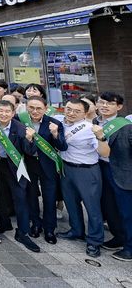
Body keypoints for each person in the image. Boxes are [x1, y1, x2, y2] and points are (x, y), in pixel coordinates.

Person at [0, 98, 39, 252]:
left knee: (20, 198)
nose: (3, 114)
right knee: (0, 195)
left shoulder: (20, 128)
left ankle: (23, 232)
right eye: (0, 111)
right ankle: (4, 223)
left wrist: (30, 140)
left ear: (13, 112)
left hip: (15, 166)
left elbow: (30, 152)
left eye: (7, 111)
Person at [56, 99, 104, 258]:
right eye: (68, 109)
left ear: (85, 113)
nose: (71, 113)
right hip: (66, 168)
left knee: (92, 207)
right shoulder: (60, 122)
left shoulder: (90, 128)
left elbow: (104, 152)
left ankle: (94, 241)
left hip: (86, 171)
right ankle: (76, 230)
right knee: (71, 202)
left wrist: (101, 137)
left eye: (76, 111)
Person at [19, 96, 65, 245]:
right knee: (31, 196)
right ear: (27, 108)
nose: (35, 111)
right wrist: (29, 139)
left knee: (50, 198)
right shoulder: (21, 122)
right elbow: (22, 147)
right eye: (31, 107)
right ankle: (36, 224)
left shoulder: (55, 123)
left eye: (39, 108)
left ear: (46, 108)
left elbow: (63, 146)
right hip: (30, 164)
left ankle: (50, 228)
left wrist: (55, 134)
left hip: (48, 165)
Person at [93, 98, 132, 262]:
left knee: (126, 211)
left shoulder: (126, 125)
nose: (105, 106)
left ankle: (130, 247)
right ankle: (119, 237)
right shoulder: (95, 121)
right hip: (101, 169)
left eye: (110, 103)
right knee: (110, 208)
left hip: (122, 172)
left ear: (119, 107)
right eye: (102, 102)